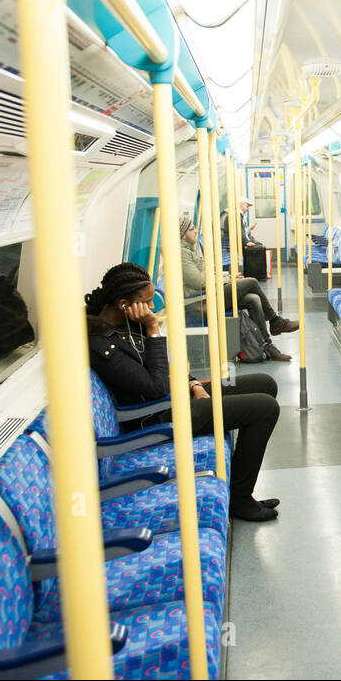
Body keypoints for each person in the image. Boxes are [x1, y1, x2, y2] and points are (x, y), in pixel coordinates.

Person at [85, 262, 282, 521]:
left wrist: (194, 384)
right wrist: (153, 330)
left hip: (176, 397)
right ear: (125, 304)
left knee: (265, 383)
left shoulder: (128, 325)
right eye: (147, 301)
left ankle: (238, 486)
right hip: (158, 417)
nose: (152, 307)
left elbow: (168, 365)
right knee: (264, 409)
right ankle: (240, 498)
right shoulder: (103, 346)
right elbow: (154, 388)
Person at [179, 214, 295, 361]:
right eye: (191, 229)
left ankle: (268, 346)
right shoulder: (181, 254)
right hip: (201, 302)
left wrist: (228, 277)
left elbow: (208, 273)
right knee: (251, 282)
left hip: (209, 294)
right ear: (183, 235)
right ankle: (275, 321)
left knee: (253, 298)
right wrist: (226, 278)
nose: (195, 231)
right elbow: (198, 281)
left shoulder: (189, 251)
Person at [222, 197, 267, 281]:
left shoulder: (237, 215)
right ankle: (255, 274)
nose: (248, 208)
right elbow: (239, 231)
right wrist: (246, 242)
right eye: (247, 206)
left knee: (258, 245)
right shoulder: (236, 215)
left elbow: (241, 231)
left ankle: (255, 273)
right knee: (256, 248)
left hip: (235, 241)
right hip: (233, 243)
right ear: (241, 205)